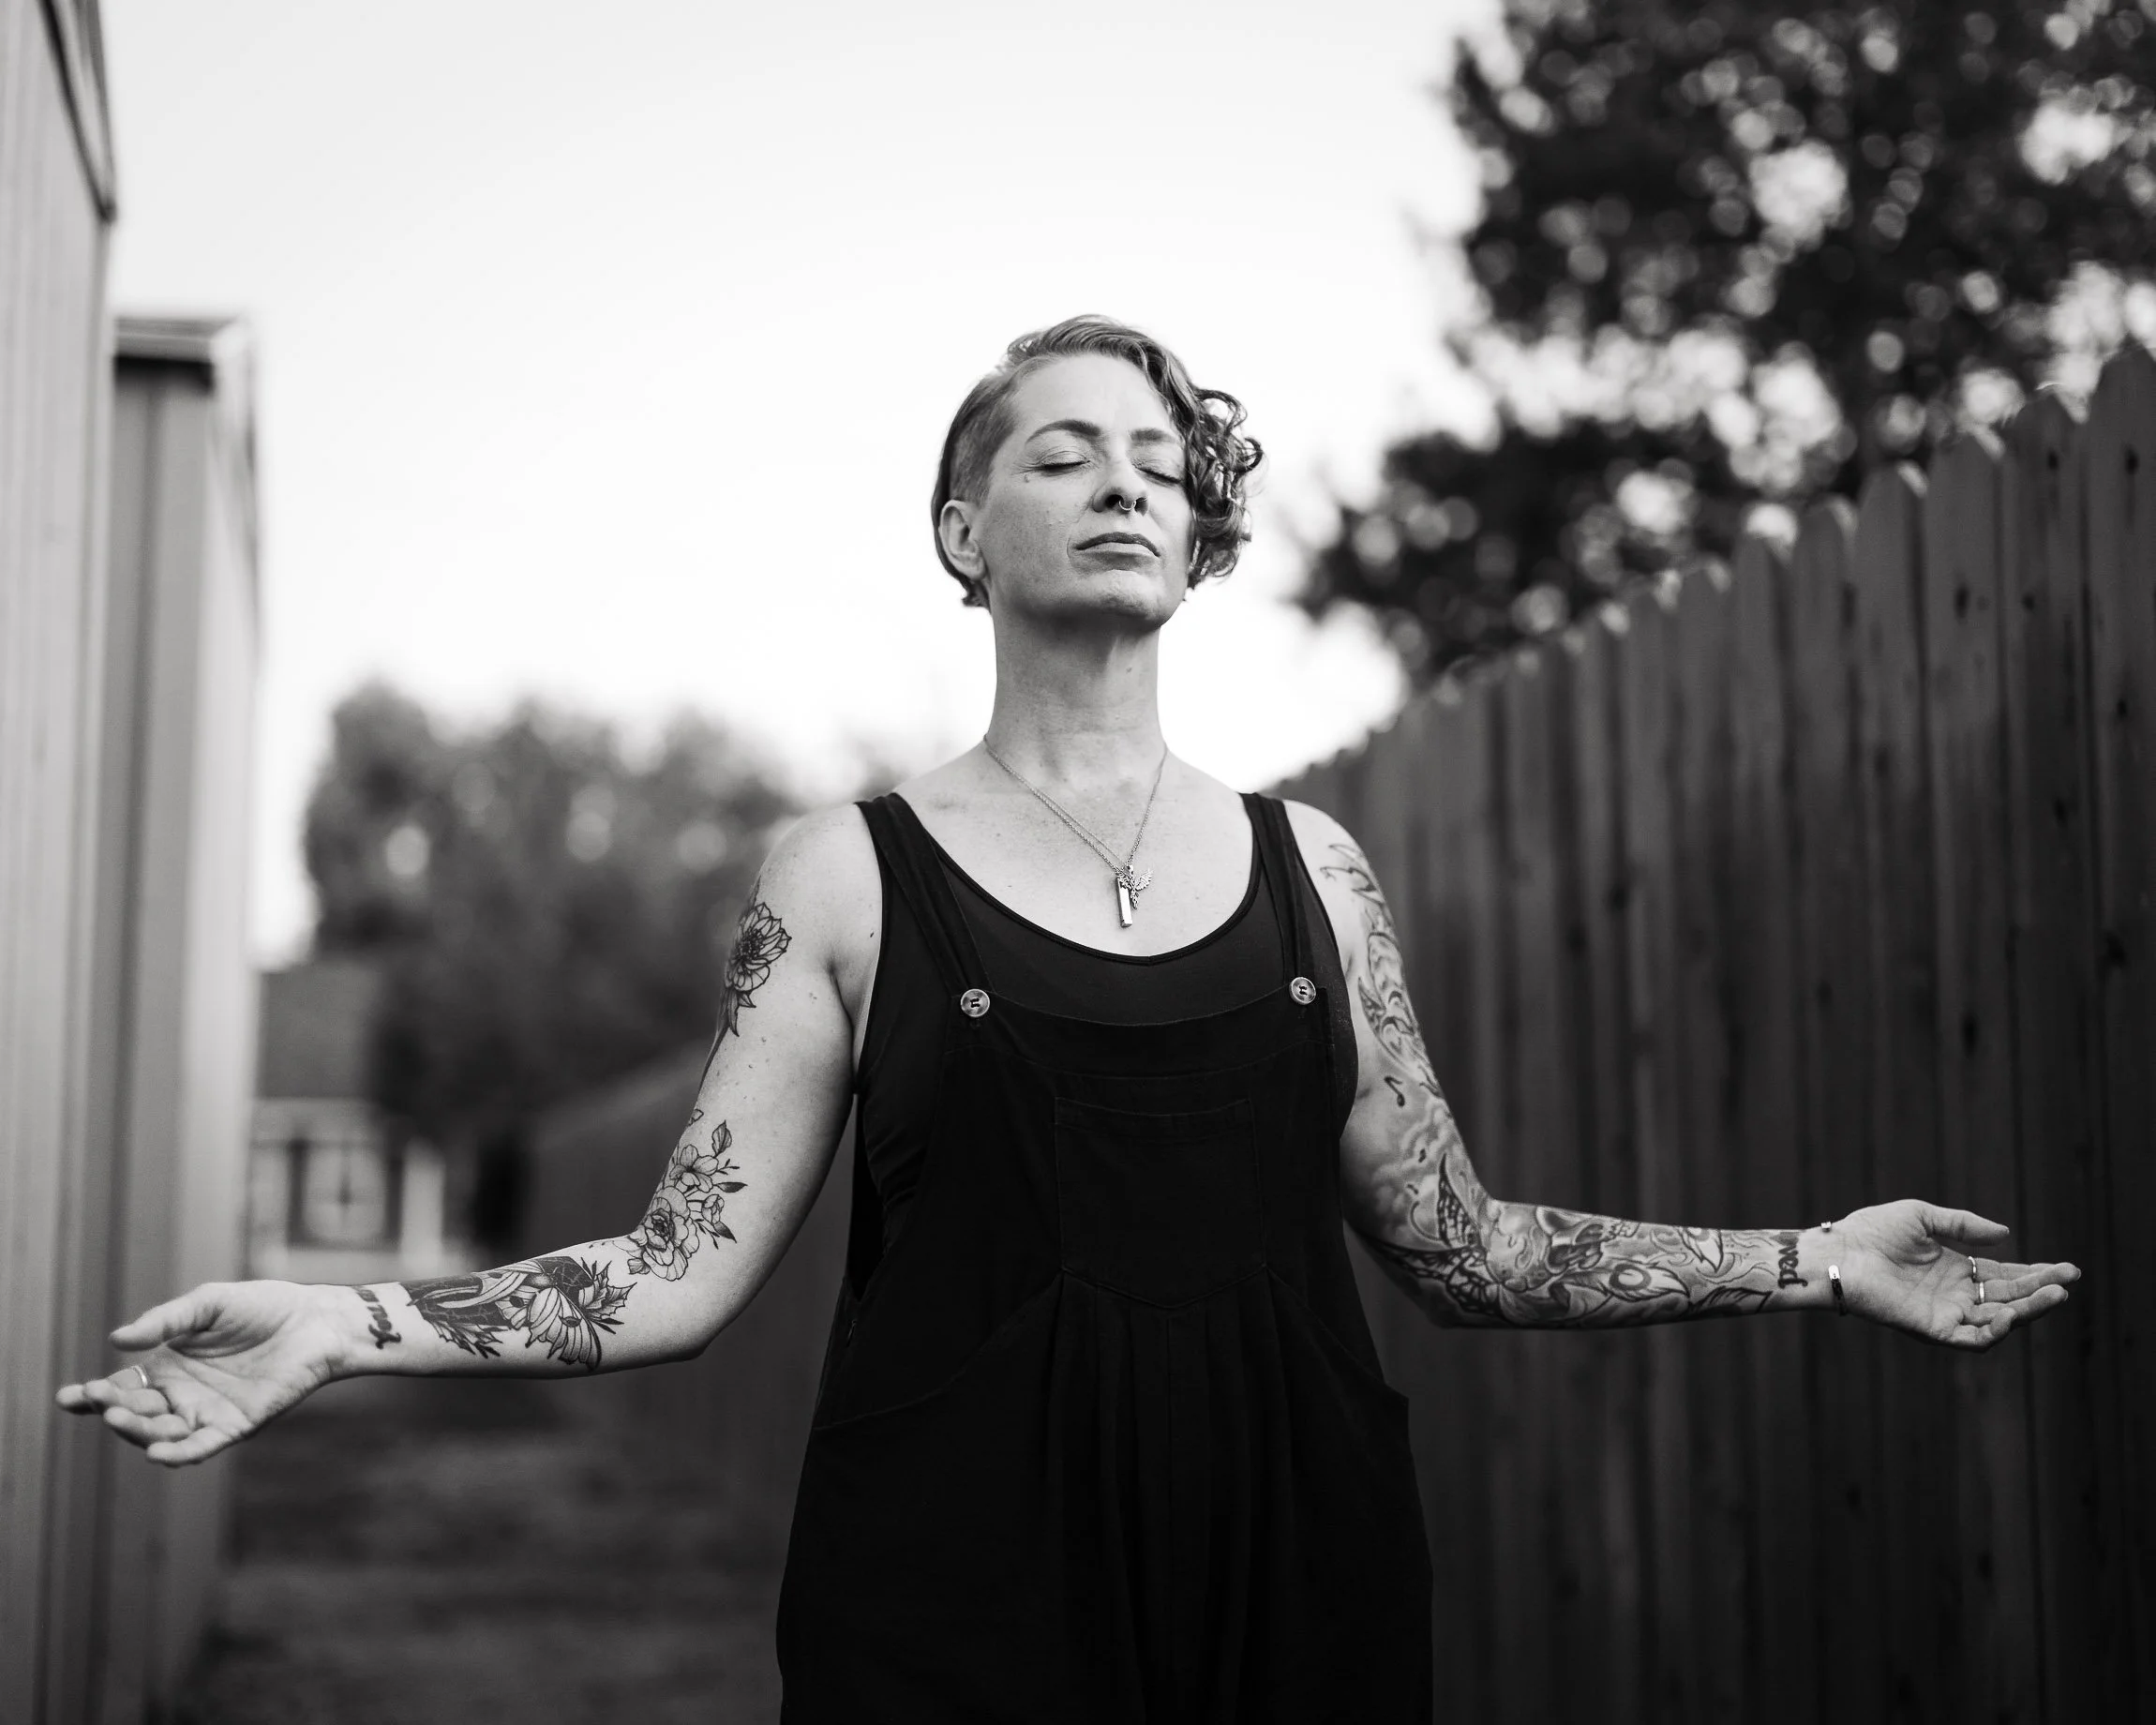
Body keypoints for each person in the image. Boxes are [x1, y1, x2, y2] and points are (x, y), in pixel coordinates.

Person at [58, 315, 2079, 1721]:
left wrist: (1818, 1260)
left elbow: (1466, 1248)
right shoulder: (842, 870)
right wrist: (350, 1317)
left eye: (1159, 459)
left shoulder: (1321, 870)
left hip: (1298, 1592)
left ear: (1201, 536)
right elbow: (678, 1274)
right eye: (1061, 450)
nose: (1127, 479)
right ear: (964, 533)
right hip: (952, 1611)